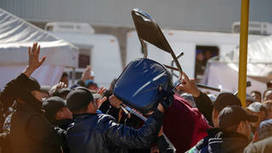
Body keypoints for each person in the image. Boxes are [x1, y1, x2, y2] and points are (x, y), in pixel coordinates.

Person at [66, 86, 172, 153]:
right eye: (94, 101)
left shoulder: (70, 131)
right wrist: (157, 113)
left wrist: (111, 108)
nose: (96, 102)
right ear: (90, 105)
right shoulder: (103, 124)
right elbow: (140, 139)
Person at [1, 43, 65, 153]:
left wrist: (29, 70)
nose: (42, 97)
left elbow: (8, 92)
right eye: (39, 93)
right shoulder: (32, 118)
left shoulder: (23, 113)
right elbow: (56, 139)